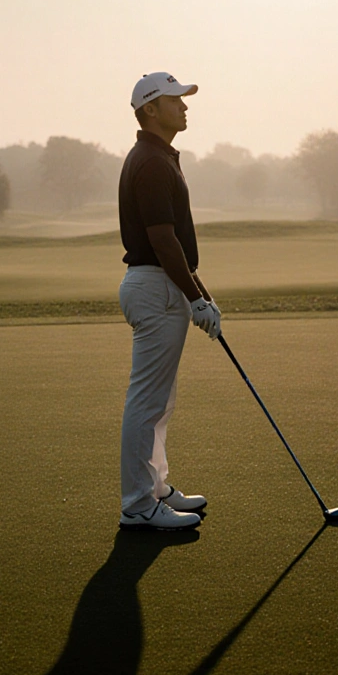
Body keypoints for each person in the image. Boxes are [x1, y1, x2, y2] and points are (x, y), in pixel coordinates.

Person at [116, 72, 221, 531]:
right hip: (155, 286)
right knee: (147, 402)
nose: (184, 106)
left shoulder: (158, 157)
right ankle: (139, 504)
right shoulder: (153, 163)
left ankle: (156, 488)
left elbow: (173, 240)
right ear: (150, 109)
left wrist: (201, 295)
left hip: (162, 286)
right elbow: (162, 239)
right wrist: (195, 299)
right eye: (175, 100)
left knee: (159, 402)